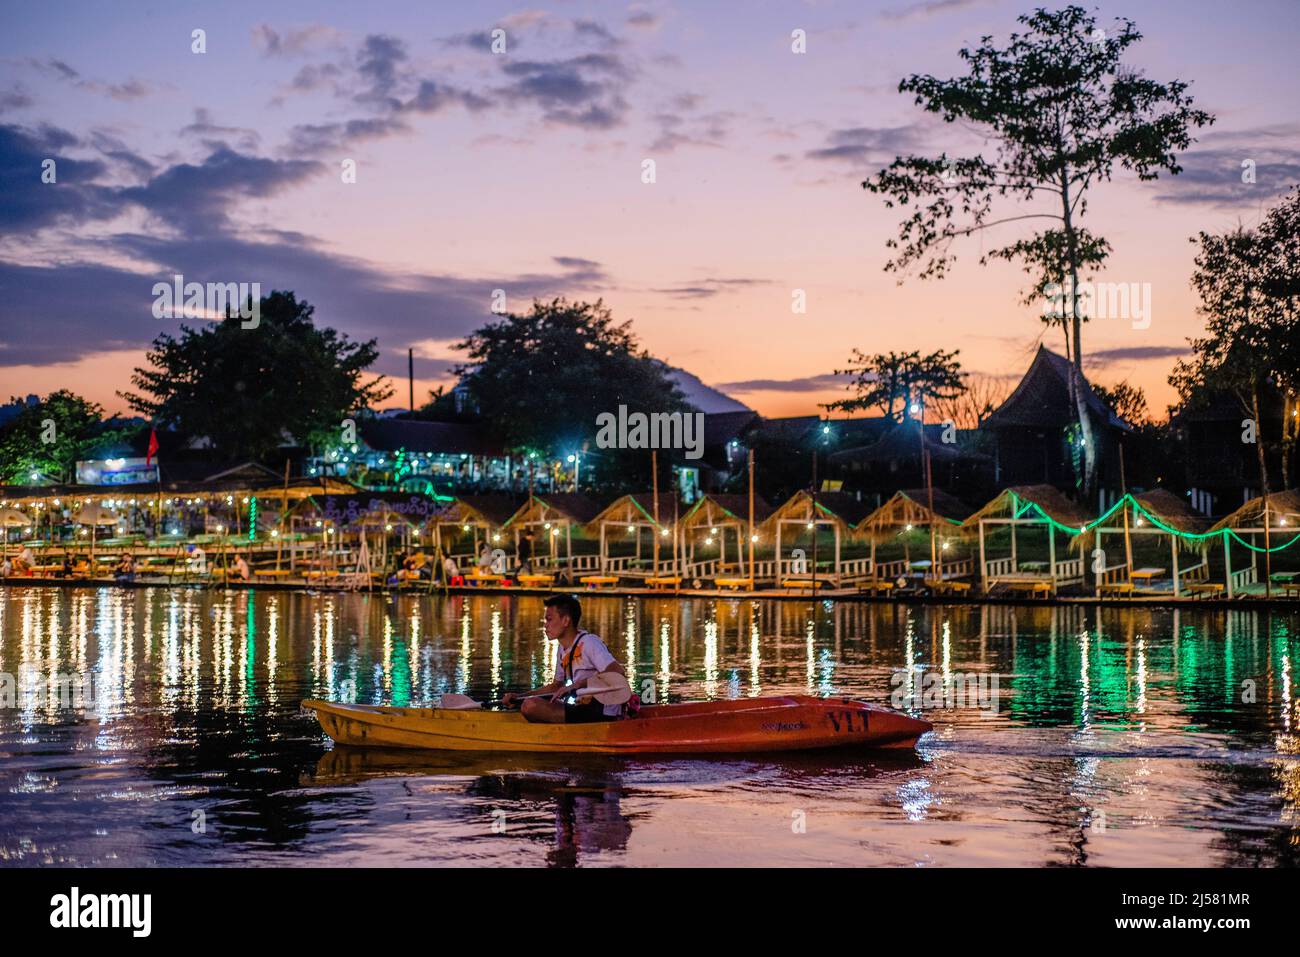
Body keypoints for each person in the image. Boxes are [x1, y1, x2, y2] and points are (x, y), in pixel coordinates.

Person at [503, 594, 625, 724]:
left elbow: (617, 672)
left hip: (602, 710)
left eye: (549, 620)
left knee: (530, 706)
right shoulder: (562, 649)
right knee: (528, 703)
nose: (545, 626)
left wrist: (576, 685)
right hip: (581, 708)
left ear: (566, 621)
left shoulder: (589, 643)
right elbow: (557, 686)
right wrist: (520, 697)